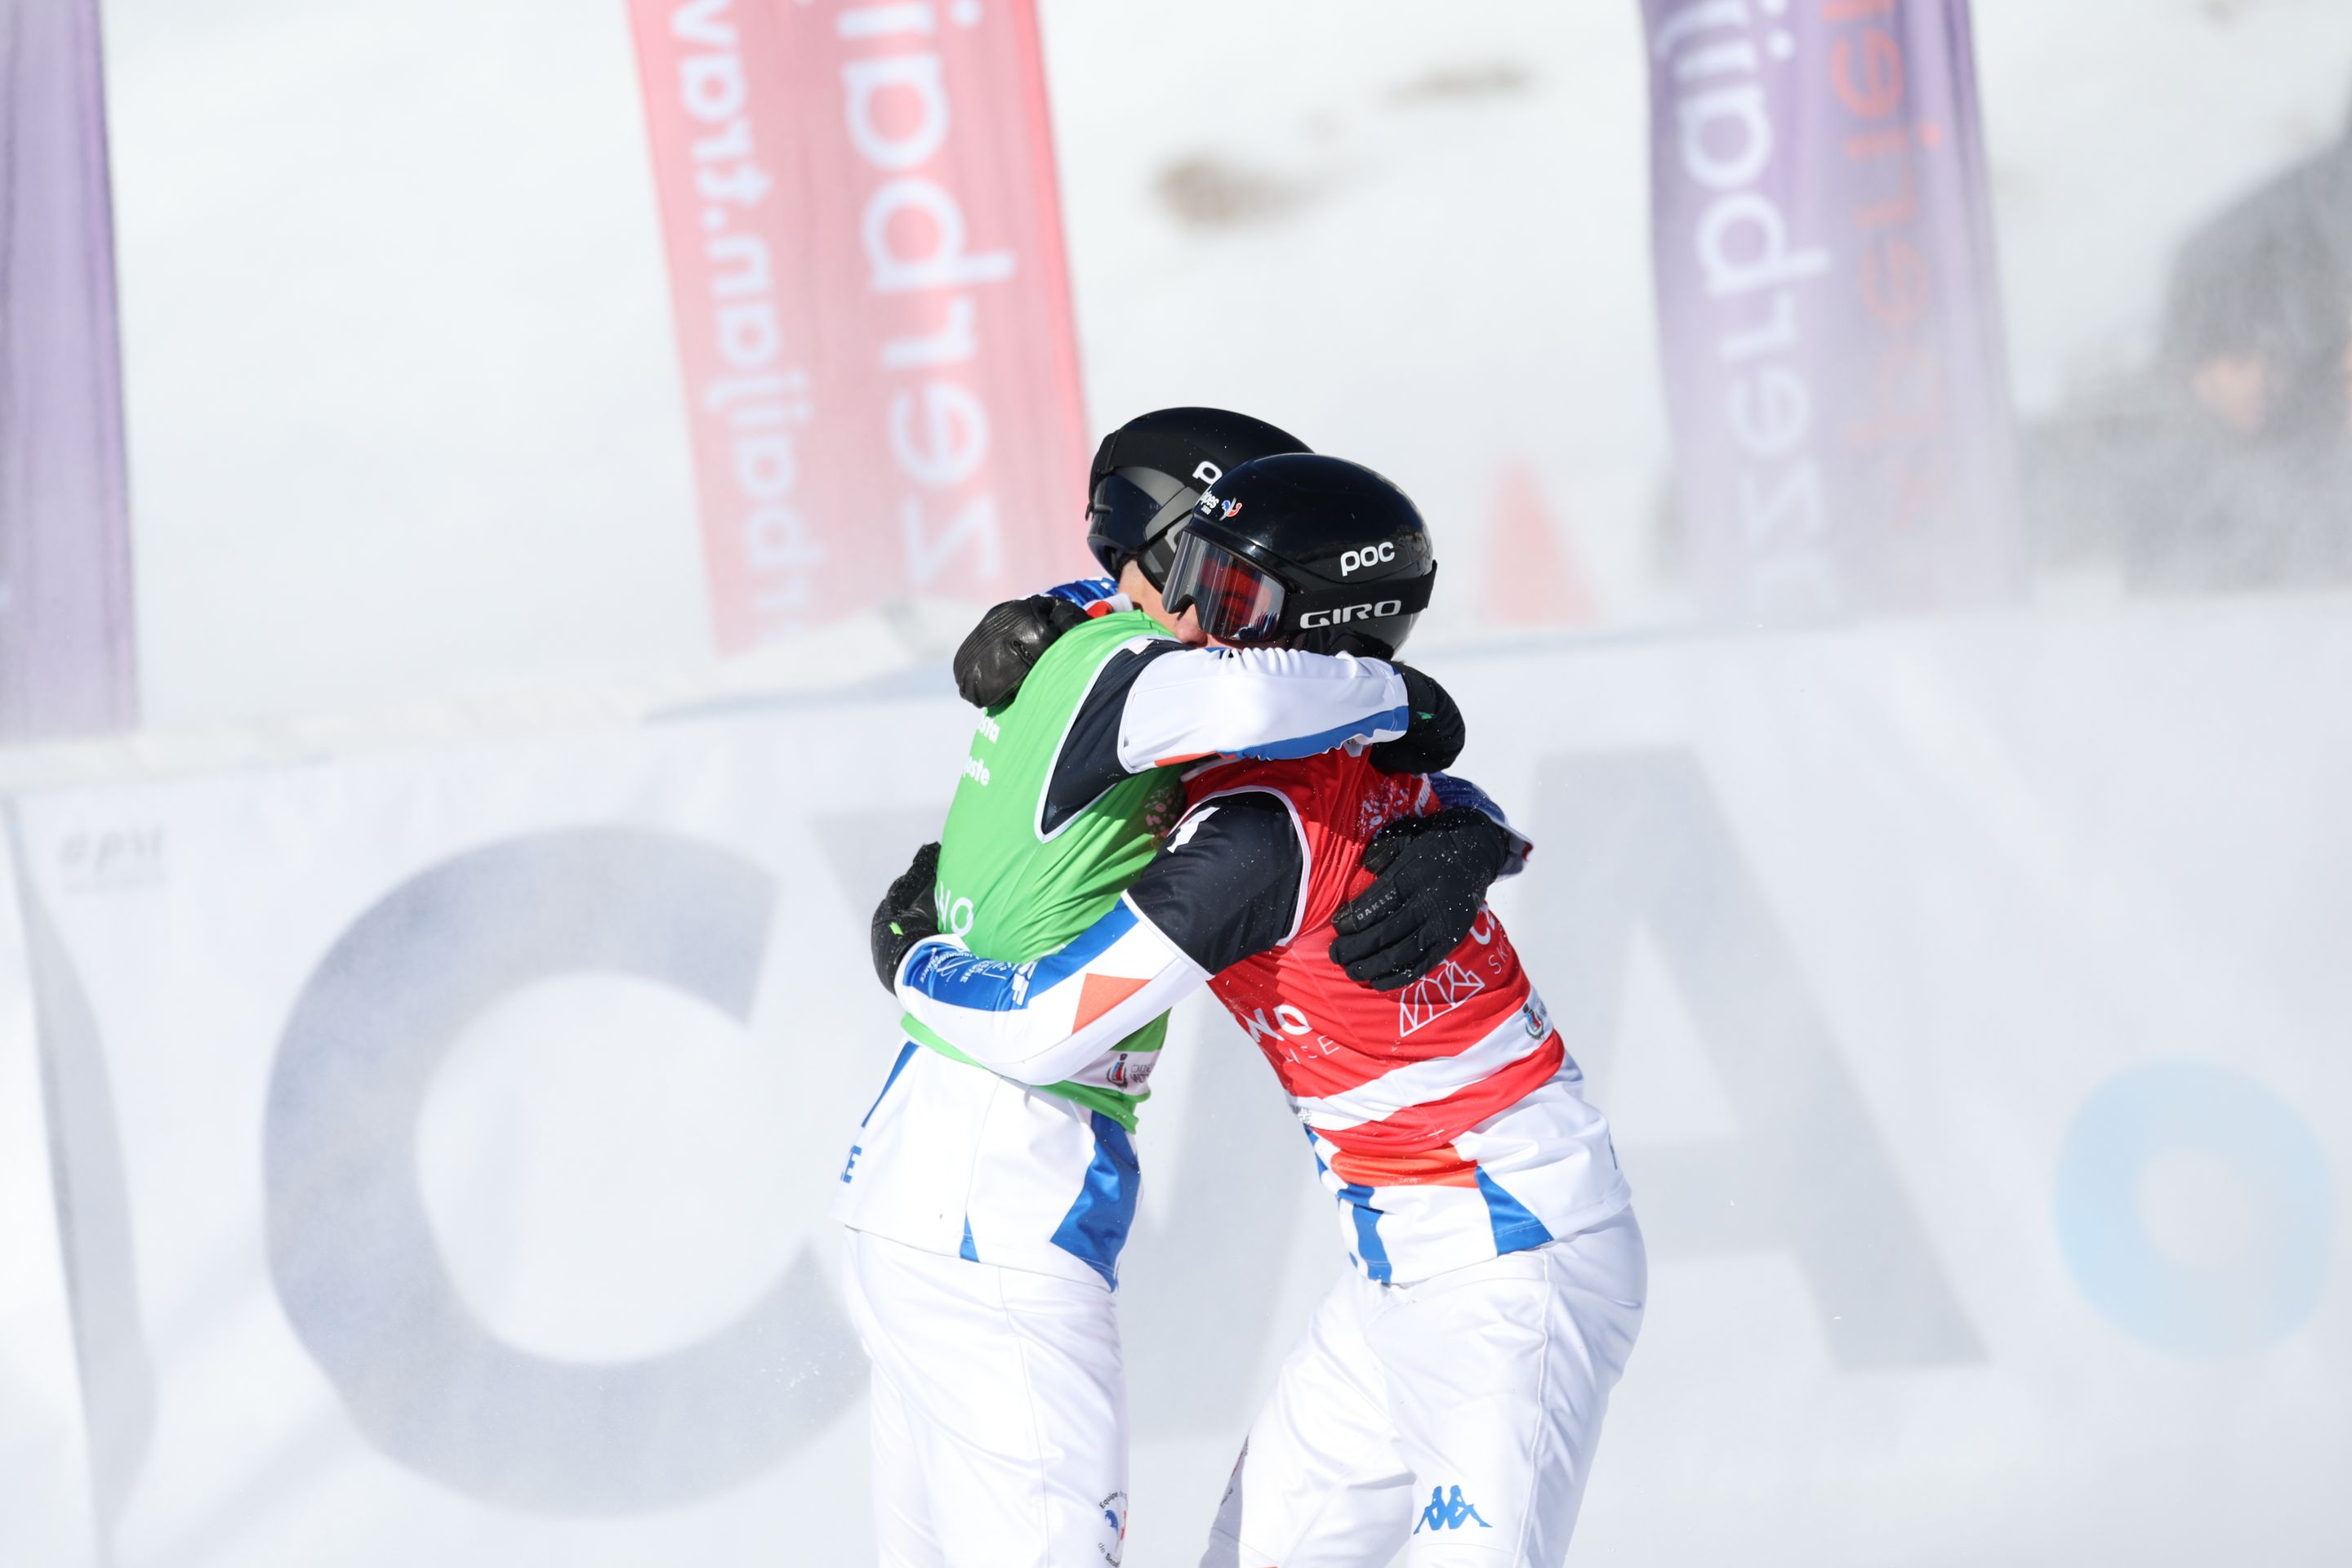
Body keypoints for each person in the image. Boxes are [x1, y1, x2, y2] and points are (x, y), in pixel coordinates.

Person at [888, 454, 1642, 1568]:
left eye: (1228, 600)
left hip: (1511, 1259)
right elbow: (1353, 736)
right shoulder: (1314, 752)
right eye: (1186, 570)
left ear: (1320, 631)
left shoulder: (1250, 838)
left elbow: (1041, 1029)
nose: (1185, 614)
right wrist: (1483, 829)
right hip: (1401, 1264)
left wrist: (913, 960)